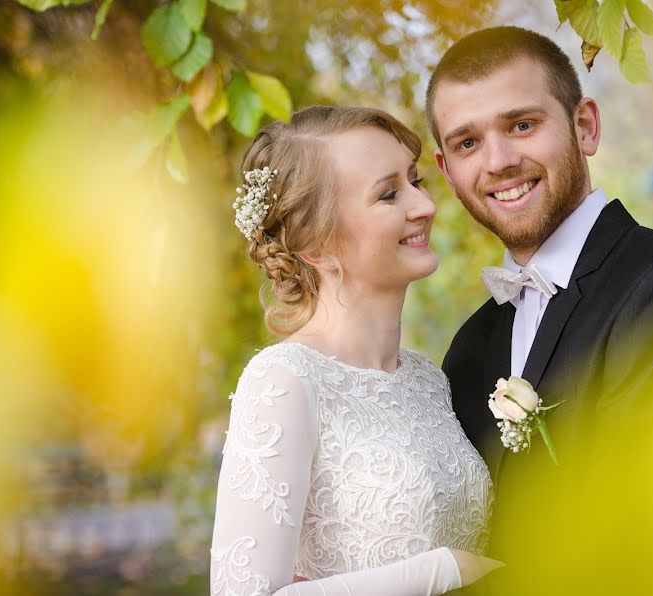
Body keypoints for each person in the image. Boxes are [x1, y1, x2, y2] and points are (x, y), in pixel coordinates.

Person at [426, 26, 653, 588]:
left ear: (585, 126)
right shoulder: (470, 347)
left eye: (522, 125)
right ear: (447, 171)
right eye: (468, 143)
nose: (499, 160)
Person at [210, 105, 501, 596]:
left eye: (415, 181)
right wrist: (444, 570)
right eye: (389, 194)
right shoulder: (283, 381)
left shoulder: (428, 380)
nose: (424, 206)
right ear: (314, 244)